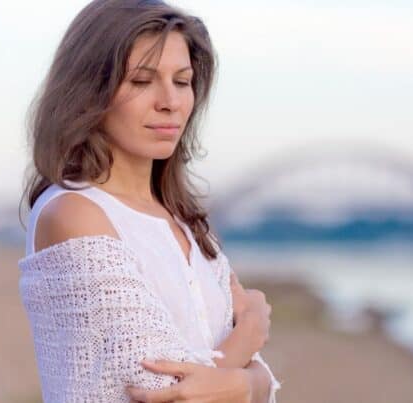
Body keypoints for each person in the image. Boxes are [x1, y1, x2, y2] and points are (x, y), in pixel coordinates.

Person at [17, 1, 280, 402]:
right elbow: (163, 392)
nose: (170, 102)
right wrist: (251, 337)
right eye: (141, 81)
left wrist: (250, 382)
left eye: (182, 80)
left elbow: (236, 379)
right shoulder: (74, 213)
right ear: (88, 92)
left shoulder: (187, 222)